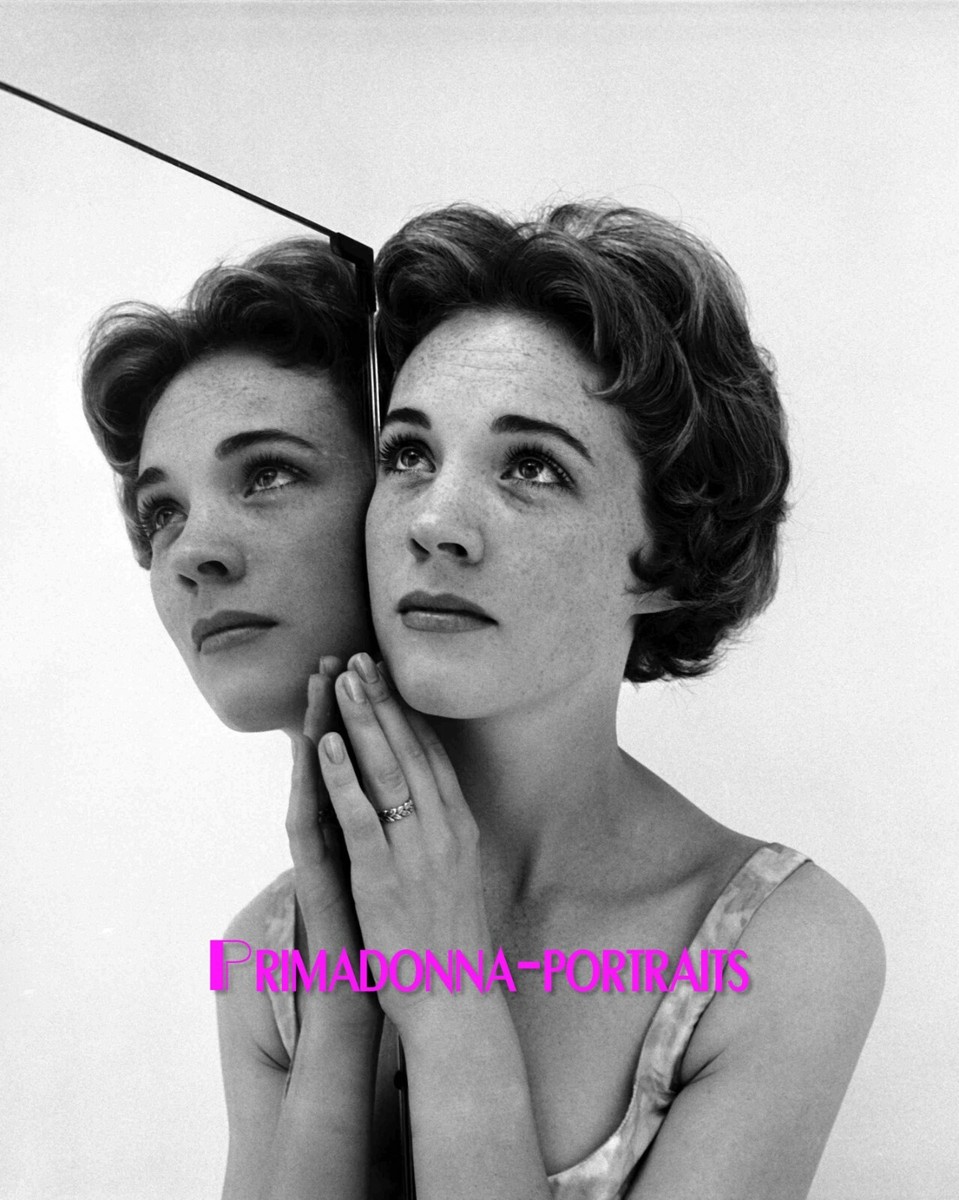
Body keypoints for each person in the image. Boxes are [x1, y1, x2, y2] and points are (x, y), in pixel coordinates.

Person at [277, 203, 885, 1199]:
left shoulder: (782, 950)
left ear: (666, 555)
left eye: (530, 466)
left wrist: (446, 997)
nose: (434, 522)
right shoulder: (277, 945)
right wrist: (341, 1013)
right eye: (407, 454)